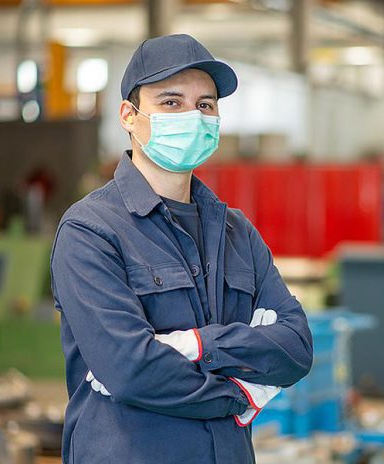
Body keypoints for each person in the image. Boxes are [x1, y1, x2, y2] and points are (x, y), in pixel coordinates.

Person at [50, 34, 313, 463]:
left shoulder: (237, 233)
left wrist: (196, 345)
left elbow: (296, 346)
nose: (192, 116)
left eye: (205, 105)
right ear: (129, 117)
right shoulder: (90, 231)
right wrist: (241, 392)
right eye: (171, 103)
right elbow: (132, 369)